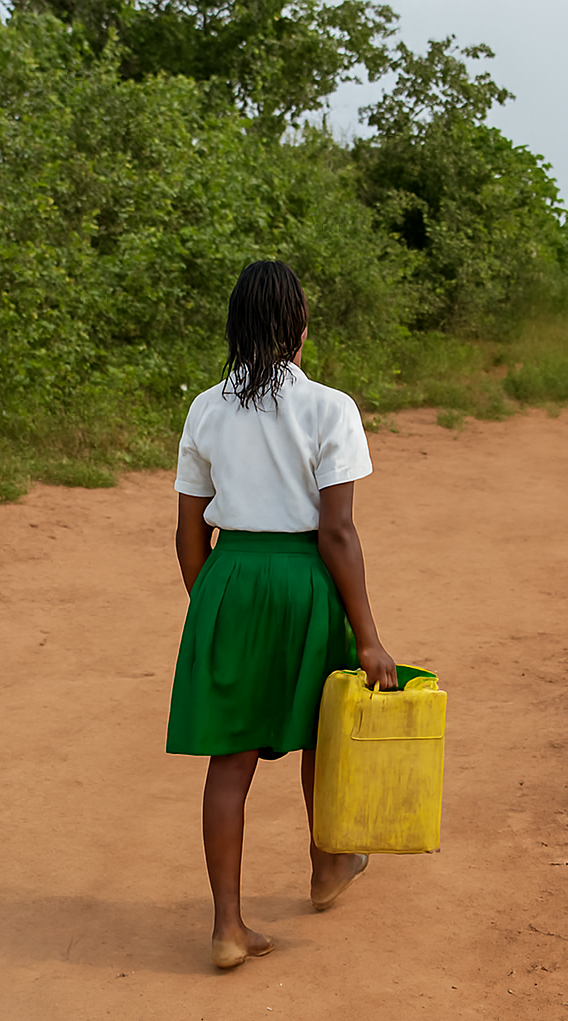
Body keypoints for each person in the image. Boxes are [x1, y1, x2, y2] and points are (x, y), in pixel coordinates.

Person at [170, 260, 398, 970]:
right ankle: (329, 866)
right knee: (322, 731)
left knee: (230, 761)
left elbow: (187, 533)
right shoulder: (330, 408)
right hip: (305, 580)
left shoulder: (207, 408)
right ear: (300, 330)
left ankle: (228, 927)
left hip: (230, 576)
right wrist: (370, 638)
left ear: (235, 327)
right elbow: (336, 531)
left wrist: (213, 607)